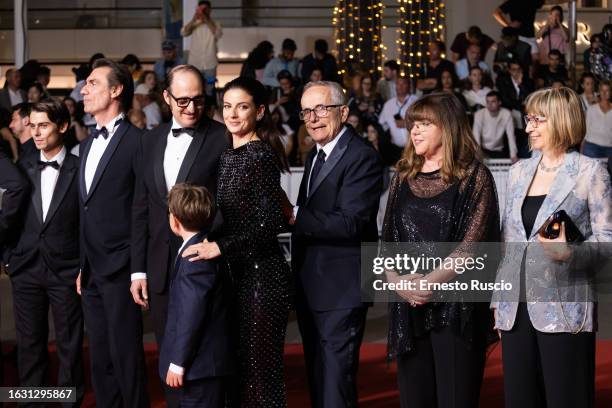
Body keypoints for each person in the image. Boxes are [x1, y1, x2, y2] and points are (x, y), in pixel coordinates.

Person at [491, 87, 612, 408]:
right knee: (520, 399)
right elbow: (509, 243)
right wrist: (498, 303)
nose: (528, 127)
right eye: (528, 119)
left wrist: (572, 253)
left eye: (536, 119)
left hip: (565, 309)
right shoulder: (518, 172)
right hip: (515, 310)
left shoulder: (590, 172)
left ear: (560, 121)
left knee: (566, 398)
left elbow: (607, 242)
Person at [382, 92, 499, 408]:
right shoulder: (403, 176)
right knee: (415, 399)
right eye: (412, 125)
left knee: (455, 397)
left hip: (456, 309)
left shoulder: (474, 177)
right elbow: (387, 243)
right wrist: (399, 283)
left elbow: (472, 246)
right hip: (409, 307)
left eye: (424, 123)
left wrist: (428, 283)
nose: (414, 131)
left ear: (447, 127)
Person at [181, 76, 292, 407]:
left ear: (259, 112)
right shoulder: (230, 155)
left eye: (241, 107)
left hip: (263, 278)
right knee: (244, 372)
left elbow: (272, 221)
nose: (232, 114)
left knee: (261, 373)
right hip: (239, 274)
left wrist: (220, 247)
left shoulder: (259, 155)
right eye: (227, 106)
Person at [130, 64, 229, 407]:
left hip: (205, 264)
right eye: (183, 100)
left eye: (199, 100)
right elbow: (141, 207)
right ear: (166, 98)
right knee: (169, 360)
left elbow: (229, 204)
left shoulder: (221, 136)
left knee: (201, 360)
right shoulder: (150, 139)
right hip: (158, 269)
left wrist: (210, 243)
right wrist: (138, 269)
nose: (191, 108)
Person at [292, 80, 383, 407]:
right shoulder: (316, 154)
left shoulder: (362, 156)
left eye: (321, 108)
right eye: (306, 111)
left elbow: (352, 223)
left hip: (343, 288)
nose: (313, 118)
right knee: (319, 377)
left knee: (335, 383)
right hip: (312, 285)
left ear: (343, 112)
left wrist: (293, 215)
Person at [77, 58, 149, 407]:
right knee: (101, 359)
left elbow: (142, 209)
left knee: (126, 357)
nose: (83, 90)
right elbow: (85, 209)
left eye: (92, 83)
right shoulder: (87, 144)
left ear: (117, 90)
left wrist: (138, 269)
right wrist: (81, 265)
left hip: (123, 268)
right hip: (91, 270)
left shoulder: (138, 142)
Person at [5, 100, 84, 405]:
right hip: (25, 268)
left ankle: (69, 401)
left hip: (66, 269)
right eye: (32, 125)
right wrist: (9, 257)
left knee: (69, 344)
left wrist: (82, 265)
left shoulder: (80, 170)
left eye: (44, 125)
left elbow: (87, 223)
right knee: (29, 344)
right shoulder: (20, 169)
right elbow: (7, 218)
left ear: (62, 126)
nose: (35, 132)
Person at [159, 183, 234, 408]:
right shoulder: (201, 248)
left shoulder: (194, 259)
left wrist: (178, 363)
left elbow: (192, 315)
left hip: (199, 368)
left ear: (174, 221)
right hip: (203, 367)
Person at [181, 0, 222, 96]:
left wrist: (206, 19)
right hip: (195, 62)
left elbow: (217, 34)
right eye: (201, 9)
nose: (203, 11)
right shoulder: (194, 24)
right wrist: (194, 19)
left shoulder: (215, 24)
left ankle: (209, 109)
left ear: (210, 10)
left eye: (205, 9)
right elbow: (183, 32)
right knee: (194, 89)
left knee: (209, 91)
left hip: (210, 63)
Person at [493, 0, 545, 67]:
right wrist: (508, 25)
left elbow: (549, 1)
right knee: (520, 62)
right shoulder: (512, 2)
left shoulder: (533, 1)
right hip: (519, 37)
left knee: (536, 63)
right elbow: (496, 13)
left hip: (531, 37)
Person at [473, 90, 518, 161]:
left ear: (499, 102)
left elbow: (511, 136)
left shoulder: (506, 114)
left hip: (499, 150)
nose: (490, 104)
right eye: (488, 102)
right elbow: (476, 135)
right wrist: (478, 152)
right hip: (483, 150)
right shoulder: (479, 114)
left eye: (493, 101)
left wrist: (513, 155)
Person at [379, 76, 418, 148]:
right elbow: (382, 125)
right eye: (398, 84)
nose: (400, 86)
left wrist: (407, 124)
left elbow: (424, 122)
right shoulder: (388, 105)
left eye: (403, 83)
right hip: (395, 149)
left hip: (414, 147)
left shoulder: (416, 101)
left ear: (409, 85)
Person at [583, 80, 612, 158]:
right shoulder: (591, 109)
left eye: (607, 90)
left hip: (609, 148)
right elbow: (586, 131)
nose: (604, 93)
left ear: (611, 92)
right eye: (602, 90)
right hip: (592, 146)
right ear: (599, 92)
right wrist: (581, 151)